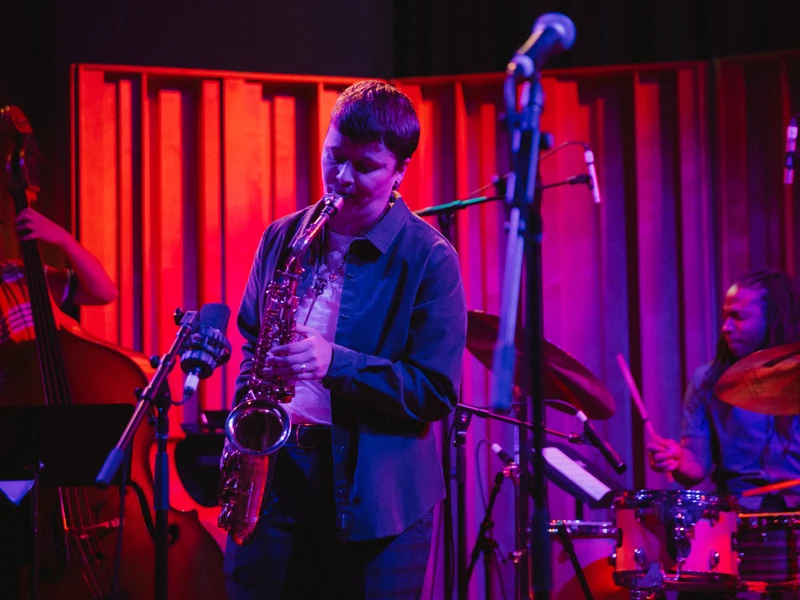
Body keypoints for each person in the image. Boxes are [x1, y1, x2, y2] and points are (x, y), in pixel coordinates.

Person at [222, 80, 467, 599]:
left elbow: (435, 391)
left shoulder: (430, 258)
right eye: (334, 157)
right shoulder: (282, 237)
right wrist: (247, 437)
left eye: (365, 165)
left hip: (377, 499)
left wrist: (335, 362)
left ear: (400, 170)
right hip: (277, 479)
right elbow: (252, 341)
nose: (342, 177)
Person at [0, 205, 118, 598]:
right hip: (10, 443)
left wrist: (62, 239)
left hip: (56, 428)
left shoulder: (20, 273)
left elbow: (104, 291)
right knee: (17, 537)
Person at [647, 270, 800, 510]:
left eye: (737, 317)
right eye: (725, 317)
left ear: (771, 318)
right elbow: (695, 468)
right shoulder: (707, 381)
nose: (726, 328)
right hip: (736, 518)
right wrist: (676, 459)